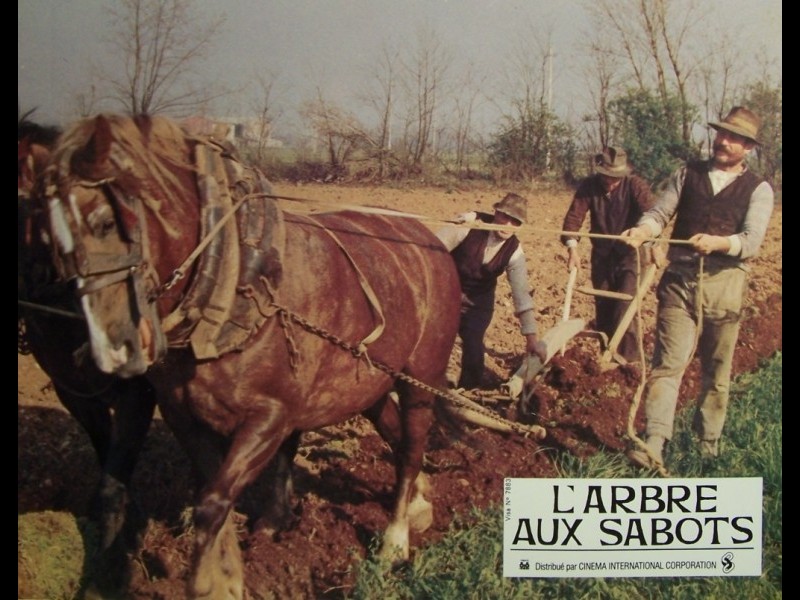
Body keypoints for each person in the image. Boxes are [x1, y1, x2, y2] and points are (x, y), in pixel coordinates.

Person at [621, 106, 775, 469]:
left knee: (716, 372)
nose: (723, 142)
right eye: (721, 134)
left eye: (733, 138)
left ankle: (708, 447)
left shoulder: (759, 189)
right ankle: (654, 442)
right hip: (679, 283)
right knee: (667, 365)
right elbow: (660, 214)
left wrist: (720, 243)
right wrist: (644, 231)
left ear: (748, 147)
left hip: (724, 285)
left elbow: (751, 241)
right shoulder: (687, 173)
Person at [436, 192, 547, 389]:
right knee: (437, 340)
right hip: (445, 292)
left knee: (473, 345)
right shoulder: (467, 228)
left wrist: (531, 338)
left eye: (515, 222)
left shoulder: (515, 252)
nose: (508, 225)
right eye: (504, 217)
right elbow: (431, 252)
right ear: (495, 213)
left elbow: (521, 295)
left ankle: (468, 393)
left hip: (479, 302)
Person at [560, 146, 656, 364]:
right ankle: (606, 356)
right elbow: (574, 218)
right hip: (602, 256)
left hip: (631, 255)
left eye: (615, 177)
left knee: (626, 308)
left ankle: (629, 361)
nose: (611, 181)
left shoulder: (635, 185)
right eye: (607, 176)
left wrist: (651, 245)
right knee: (603, 307)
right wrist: (573, 249)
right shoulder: (589, 187)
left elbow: (652, 215)